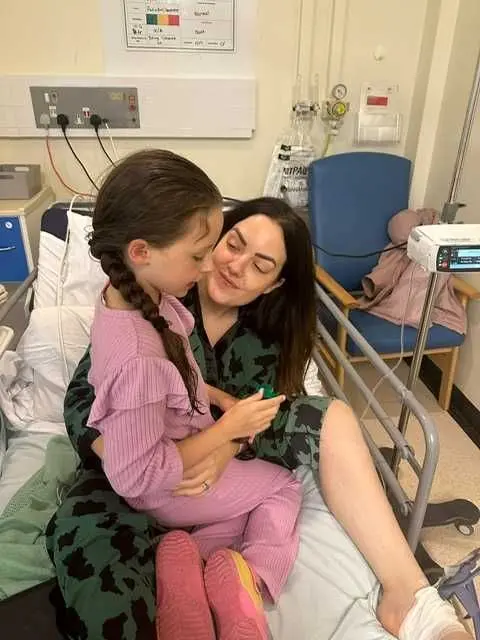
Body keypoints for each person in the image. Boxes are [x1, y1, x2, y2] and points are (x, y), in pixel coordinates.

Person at [46, 195, 471, 640]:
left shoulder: (270, 333)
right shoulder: (159, 295)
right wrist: (139, 459)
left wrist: (223, 449)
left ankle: (408, 596)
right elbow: (85, 396)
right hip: (131, 464)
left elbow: (267, 406)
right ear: (212, 240)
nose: (236, 266)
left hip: (226, 458)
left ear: (272, 285)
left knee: (334, 418)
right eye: (234, 244)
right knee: (91, 555)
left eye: (260, 264)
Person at [83, 150, 302, 640]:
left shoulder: (139, 300)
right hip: (165, 488)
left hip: (181, 465)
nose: (212, 268)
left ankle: (185, 567)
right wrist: (228, 431)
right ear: (142, 251)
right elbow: (136, 476)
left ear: (276, 285)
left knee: (245, 502)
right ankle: (253, 581)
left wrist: (215, 399)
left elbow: (171, 373)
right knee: (284, 487)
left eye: (260, 264)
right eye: (203, 253)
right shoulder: (137, 352)